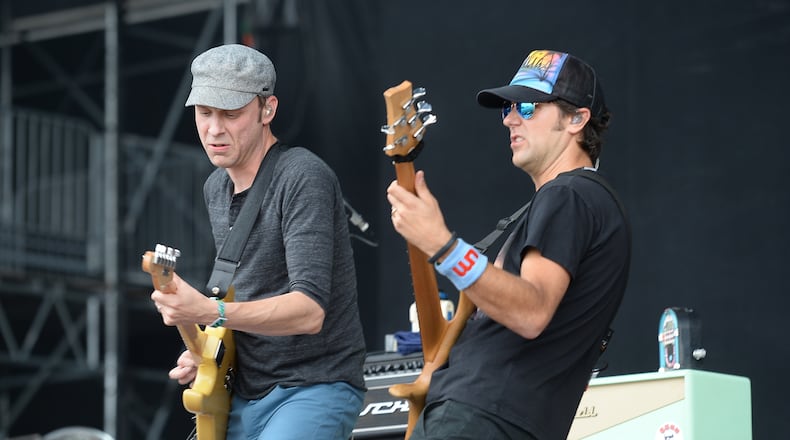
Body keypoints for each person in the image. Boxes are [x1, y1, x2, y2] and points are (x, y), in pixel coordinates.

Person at [386, 49, 630, 440]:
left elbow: (531, 311)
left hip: (483, 418)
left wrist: (442, 245)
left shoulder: (569, 195)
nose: (511, 120)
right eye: (508, 109)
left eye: (529, 107)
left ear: (576, 119)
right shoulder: (571, 201)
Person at [150, 43, 366, 440]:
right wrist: (208, 357)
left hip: (314, 386)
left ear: (268, 110)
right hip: (243, 390)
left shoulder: (302, 176)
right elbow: (247, 294)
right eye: (204, 113)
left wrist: (209, 311)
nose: (214, 129)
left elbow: (308, 311)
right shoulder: (215, 187)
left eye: (231, 114)